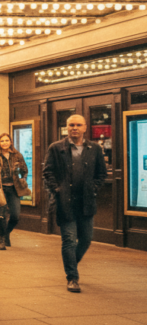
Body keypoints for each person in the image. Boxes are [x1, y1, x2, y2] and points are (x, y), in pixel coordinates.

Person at [43, 114, 107, 293]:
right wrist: (58, 190)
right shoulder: (56, 148)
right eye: (71, 125)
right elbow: (47, 172)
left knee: (86, 239)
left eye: (78, 125)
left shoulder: (94, 148)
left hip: (86, 201)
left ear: (85, 128)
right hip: (65, 202)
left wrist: (93, 188)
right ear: (66, 128)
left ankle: (72, 264)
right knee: (69, 240)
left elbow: (101, 173)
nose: (75, 128)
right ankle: (72, 277)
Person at [0, 133, 29, 251]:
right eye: (2, 141)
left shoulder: (17, 155)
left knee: (15, 216)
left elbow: (25, 170)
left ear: (10, 142)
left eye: (6, 140)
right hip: (0, 189)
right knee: (1, 215)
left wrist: (23, 179)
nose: (4, 143)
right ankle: (1, 239)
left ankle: (6, 232)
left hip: (14, 189)